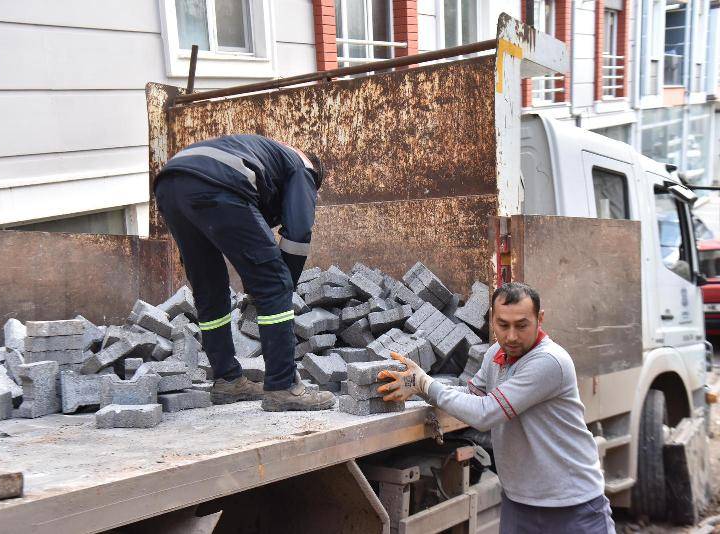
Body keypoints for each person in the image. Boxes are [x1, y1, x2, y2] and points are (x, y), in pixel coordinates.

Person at [377, 282, 615, 533]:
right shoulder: (495, 355)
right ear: (492, 319)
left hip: (572, 505)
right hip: (520, 503)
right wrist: (418, 389)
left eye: (521, 325)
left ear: (540, 319)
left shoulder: (549, 361)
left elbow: (485, 412)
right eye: (503, 325)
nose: (511, 336)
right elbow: (472, 396)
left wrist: (426, 384)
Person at [154, 134, 335, 412]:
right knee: (275, 283)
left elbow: (248, 231)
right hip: (216, 183)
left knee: (209, 287)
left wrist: (256, 285)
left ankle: (227, 380)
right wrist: (278, 286)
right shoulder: (304, 168)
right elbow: (298, 234)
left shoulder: (266, 156)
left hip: (170, 184)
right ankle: (283, 387)